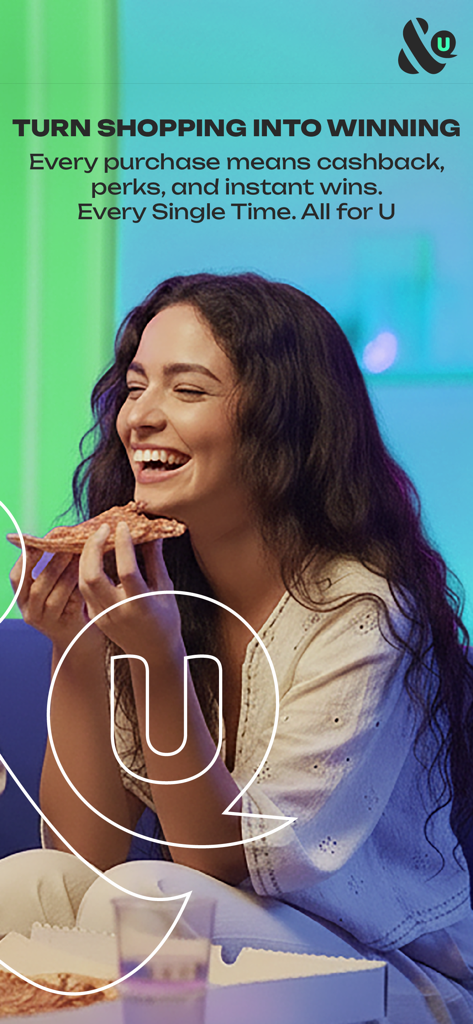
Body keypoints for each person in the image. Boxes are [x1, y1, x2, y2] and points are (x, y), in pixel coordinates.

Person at [5, 272, 473, 1021]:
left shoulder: (363, 608)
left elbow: (216, 866)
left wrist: (157, 659)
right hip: (218, 948)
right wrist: (79, 651)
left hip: (393, 975)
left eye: (186, 391)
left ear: (282, 423)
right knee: (25, 887)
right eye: (134, 387)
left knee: (161, 902)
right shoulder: (156, 588)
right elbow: (81, 859)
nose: (141, 418)